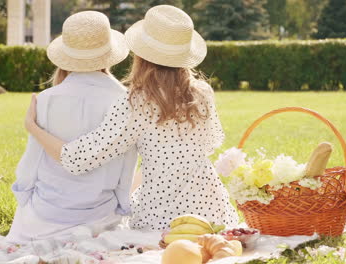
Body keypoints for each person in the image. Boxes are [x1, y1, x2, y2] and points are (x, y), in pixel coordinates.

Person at [24, 5, 239, 231]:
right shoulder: (202, 92)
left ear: (141, 55)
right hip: (213, 213)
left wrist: (33, 127)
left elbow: (77, 159)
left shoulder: (136, 103)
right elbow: (208, 144)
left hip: (161, 218)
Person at [6, 11, 137, 243]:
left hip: (46, 217)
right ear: (108, 55)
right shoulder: (125, 100)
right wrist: (123, 207)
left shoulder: (45, 99)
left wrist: (23, 195)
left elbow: (32, 163)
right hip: (100, 216)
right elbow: (126, 166)